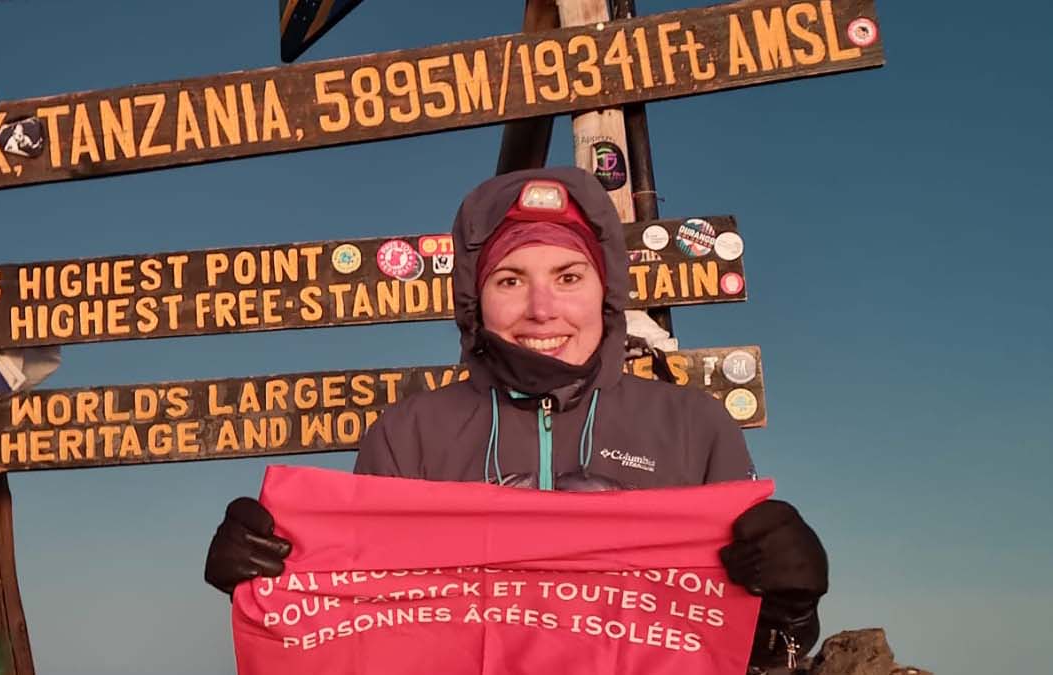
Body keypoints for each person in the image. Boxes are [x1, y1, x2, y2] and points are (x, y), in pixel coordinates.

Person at [204, 167, 828, 672]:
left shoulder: (694, 427)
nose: (542, 308)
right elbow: (363, 640)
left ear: (605, 291)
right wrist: (275, 591)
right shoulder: (408, 436)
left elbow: (761, 660)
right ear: (476, 301)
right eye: (510, 280)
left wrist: (788, 611)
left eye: (568, 275)